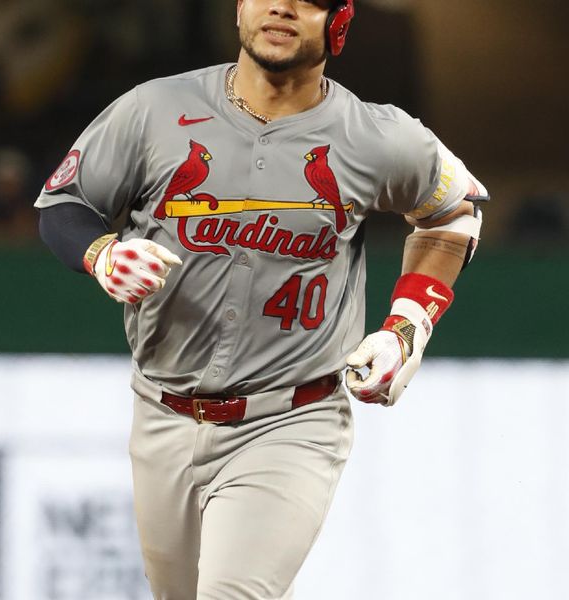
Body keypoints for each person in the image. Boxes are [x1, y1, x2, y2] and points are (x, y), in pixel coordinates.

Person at [36, 1, 488, 598]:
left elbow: (455, 213)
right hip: (162, 412)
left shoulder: (376, 136)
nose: (281, 5)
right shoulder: (155, 108)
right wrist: (102, 254)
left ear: (340, 19)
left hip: (291, 418)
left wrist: (407, 325)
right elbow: (64, 203)